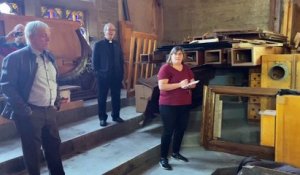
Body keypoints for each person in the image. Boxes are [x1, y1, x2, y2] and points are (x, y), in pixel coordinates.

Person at [0, 21, 65, 175]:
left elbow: (54, 80)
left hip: (49, 111)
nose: (48, 40)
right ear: (31, 37)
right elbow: (7, 86)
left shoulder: (49, 56)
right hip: (30, 113)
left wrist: (55, 102)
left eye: (48, 36)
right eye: (44, 36)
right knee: (32, 153)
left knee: (54, 149)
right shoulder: (15, 58)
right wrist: (25, 110)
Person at [157, 46, 196, 170]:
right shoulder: (165, 68)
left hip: (184, 104)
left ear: (183, 56)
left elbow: (192, 82)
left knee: (181, 129)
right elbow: (162, 86)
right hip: (168, 105)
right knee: (168, 131)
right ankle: (163, 158)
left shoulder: (186, 68)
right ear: (171, 56)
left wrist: (190, 85)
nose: (178, 56)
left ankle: (175, 153)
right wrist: (180, 85)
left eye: (180, 54)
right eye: (175, 54)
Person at [92, 22, 124, 127]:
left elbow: (121, 60)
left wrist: (121, 74)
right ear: (104, 31)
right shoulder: (98, 45)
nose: (111, 32)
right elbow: (94, 63)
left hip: (116, 76)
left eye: (113, 30)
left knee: (116, 97)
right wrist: (98, 75)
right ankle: (102, 118)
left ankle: (116, 115)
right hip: (103, 77)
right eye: (109, 30)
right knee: (102, 98)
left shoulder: (117, 44)